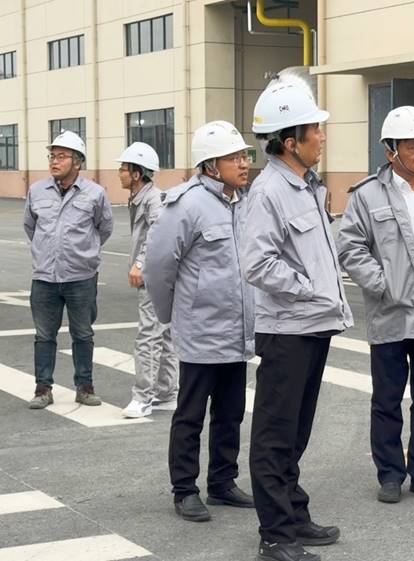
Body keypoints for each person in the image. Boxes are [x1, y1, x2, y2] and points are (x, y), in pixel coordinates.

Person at [243, 81, 353, 561]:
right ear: (291, 142)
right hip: (287, 328)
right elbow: (257, 263)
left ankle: (293, 513)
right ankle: (275, 535)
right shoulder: (269, 191)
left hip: (312, 325)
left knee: (297, 430)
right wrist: (310, 289)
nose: (322, 137)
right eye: (316, 130)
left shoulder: (308, 185)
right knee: (275, 433)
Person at [338, 106, 414, 504]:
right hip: (391, 313)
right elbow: (350, 247)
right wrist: (383, 285)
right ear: (391, 151)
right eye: (413, 146)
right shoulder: (367, 195)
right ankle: (390, 474)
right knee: (387, 401)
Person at [143, 121, 256, 522]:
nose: (244, 163)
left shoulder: (242, 202)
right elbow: (158, 267)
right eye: (234, 158)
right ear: (210, 165)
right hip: (201, 332)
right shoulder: (187, 205)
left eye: (245, 156)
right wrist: (171, 315)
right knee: (190, 416)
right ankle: (184, 490)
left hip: (237, 332)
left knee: (231, 413)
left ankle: (223, 483)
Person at [23, 130, 113, 409]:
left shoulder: (95, 193)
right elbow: (30, 226)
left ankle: (84, 387)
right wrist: (48, 251)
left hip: (80, 277)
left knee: (83, 334)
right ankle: (43, 389)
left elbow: (104, 227)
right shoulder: (37, 191)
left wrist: (82, 253)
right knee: (44, 336)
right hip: (45, 277)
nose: (54, 161)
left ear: (78, 161)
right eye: (52, 155)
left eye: (62, 156)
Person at [116, 142, 178, 418]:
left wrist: (140, 264)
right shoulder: (140, 197)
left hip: (154, 277)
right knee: (162, 335)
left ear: (137, 173)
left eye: (123, 169)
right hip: (158, 276)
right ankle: (167, 393)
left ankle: (143, 397)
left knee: (148, 336)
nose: (119, 173)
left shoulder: (154, 200)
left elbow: (156, 235)